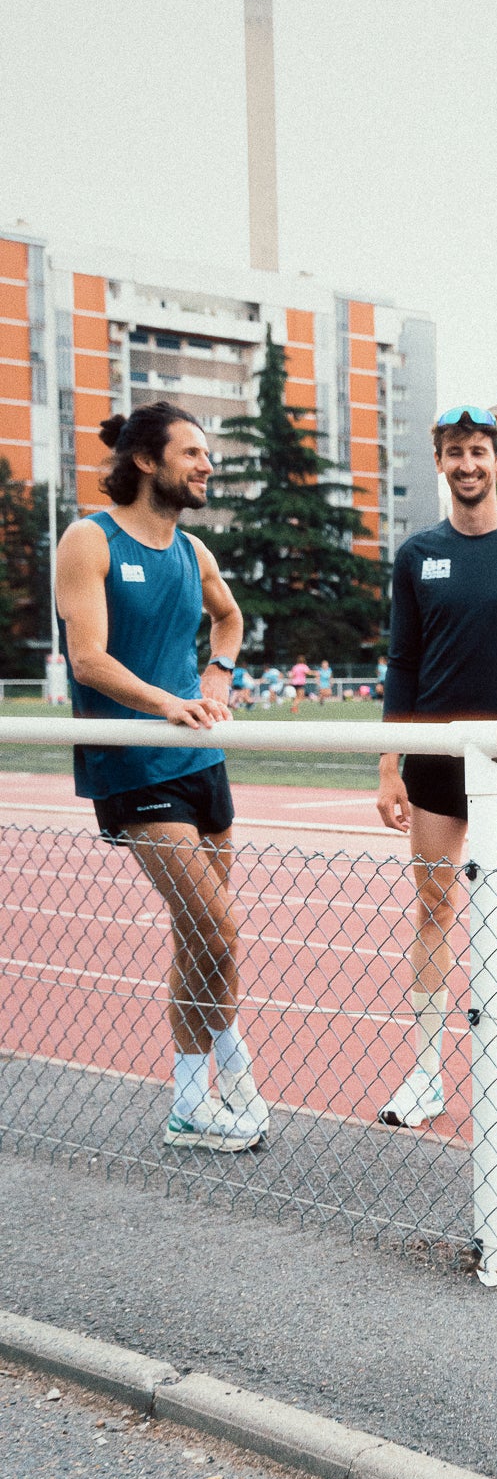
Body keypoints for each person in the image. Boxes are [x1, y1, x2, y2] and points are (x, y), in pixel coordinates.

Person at [54, 402, 270, 1152]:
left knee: (203, 936)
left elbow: (230, 618)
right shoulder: (90, 538)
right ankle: (232, 1070)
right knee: (218, 924)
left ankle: (188, 1101)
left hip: (201, 761)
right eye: (193, 453)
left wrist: (218, 678)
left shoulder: (193, 550)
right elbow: (89, 659)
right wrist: (167, 704)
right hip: (133, 763)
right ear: (147, 461)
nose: (207, 465)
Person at [376, 406, 497, 1137]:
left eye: (479, 452)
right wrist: (389, 763)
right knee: (434, 910)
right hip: (433, 756)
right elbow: (401, 664)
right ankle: (427, 1071)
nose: (468, 465)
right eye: (455, 452)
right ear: (440, 460)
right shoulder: (416, 553)